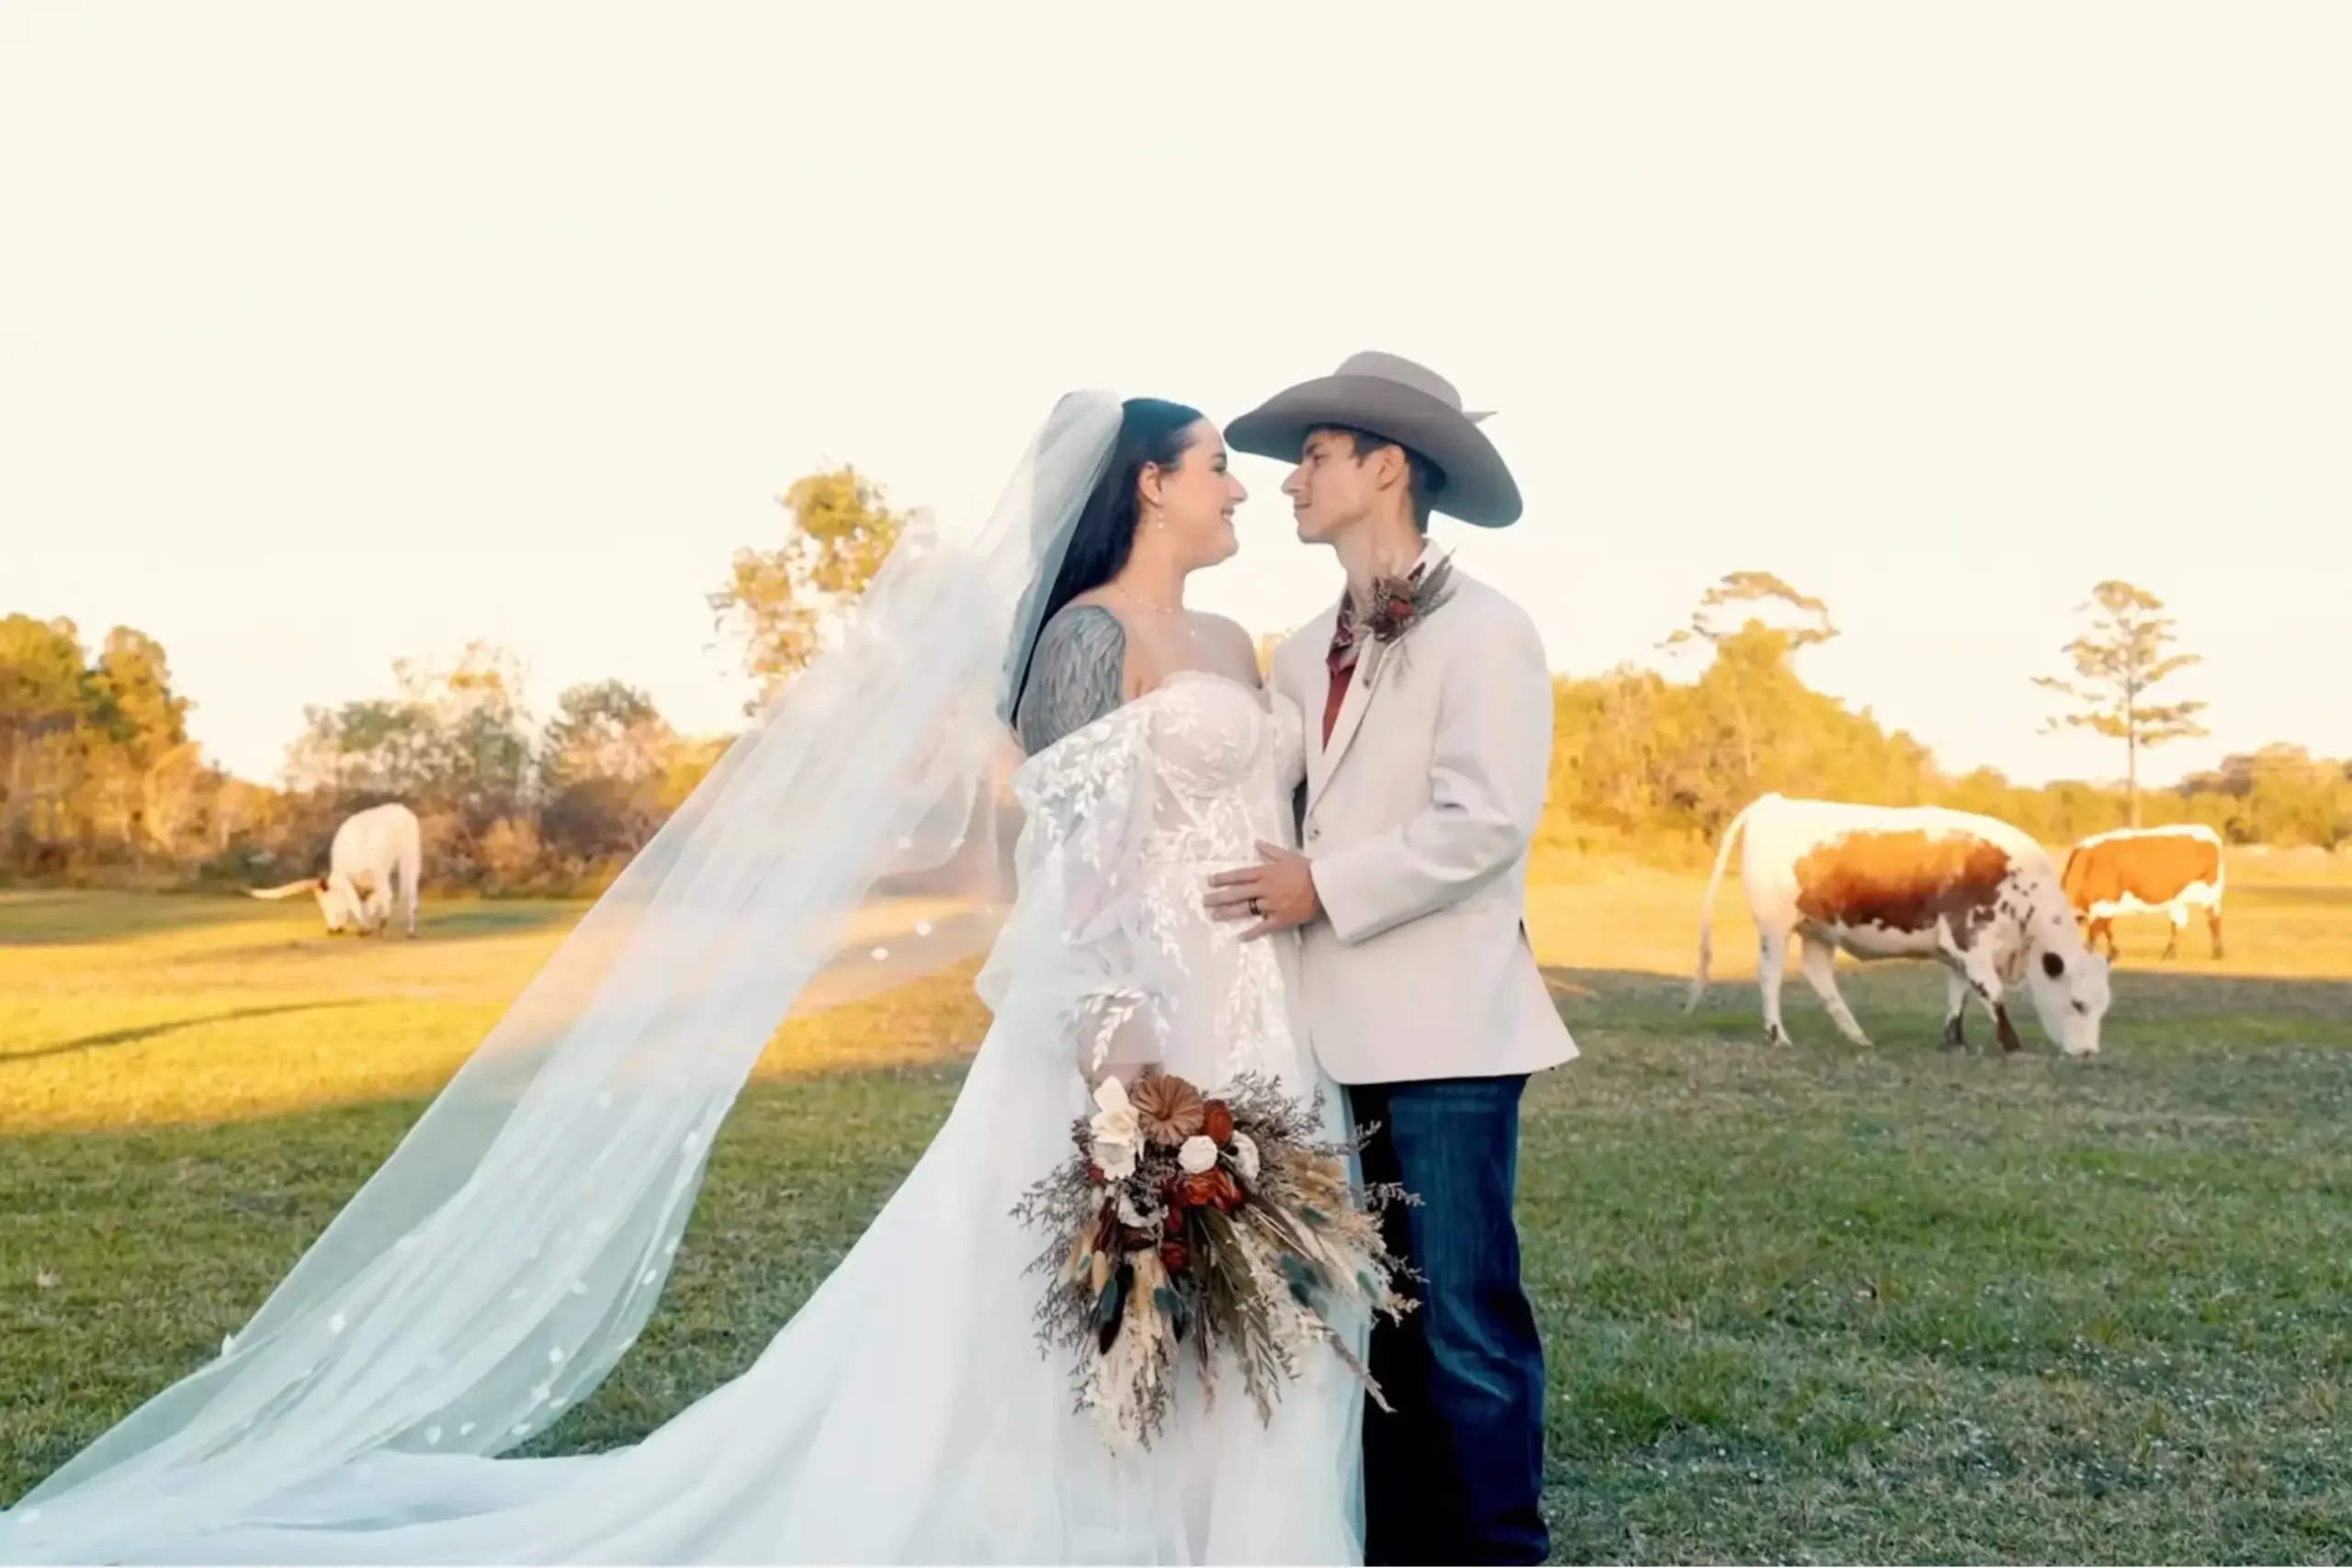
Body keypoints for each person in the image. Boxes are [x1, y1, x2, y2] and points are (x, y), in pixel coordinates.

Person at [0, 395, 1366, 1563]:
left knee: (1267, 1297)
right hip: (1128, 1022)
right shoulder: (1085, 638)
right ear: (1148, 483)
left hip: (1251, 1004)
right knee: (1084, 1301)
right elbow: (1071, 859)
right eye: (1210, 464)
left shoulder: (1235, 647)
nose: (1233, 485)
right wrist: (1113, 1048)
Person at [1207, 352, 1577, 1565]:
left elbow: (1484, 823)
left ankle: (1500, 1548)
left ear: (1387, 466)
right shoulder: (1301, 640)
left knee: (1465, 1316)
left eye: (1314, 455)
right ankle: (1403, 1541)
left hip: (1452, 1037)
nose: (1292, 481)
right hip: (1319, 1034)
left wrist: (1323, 883)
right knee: (1375, 1316)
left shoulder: (1490, 631)